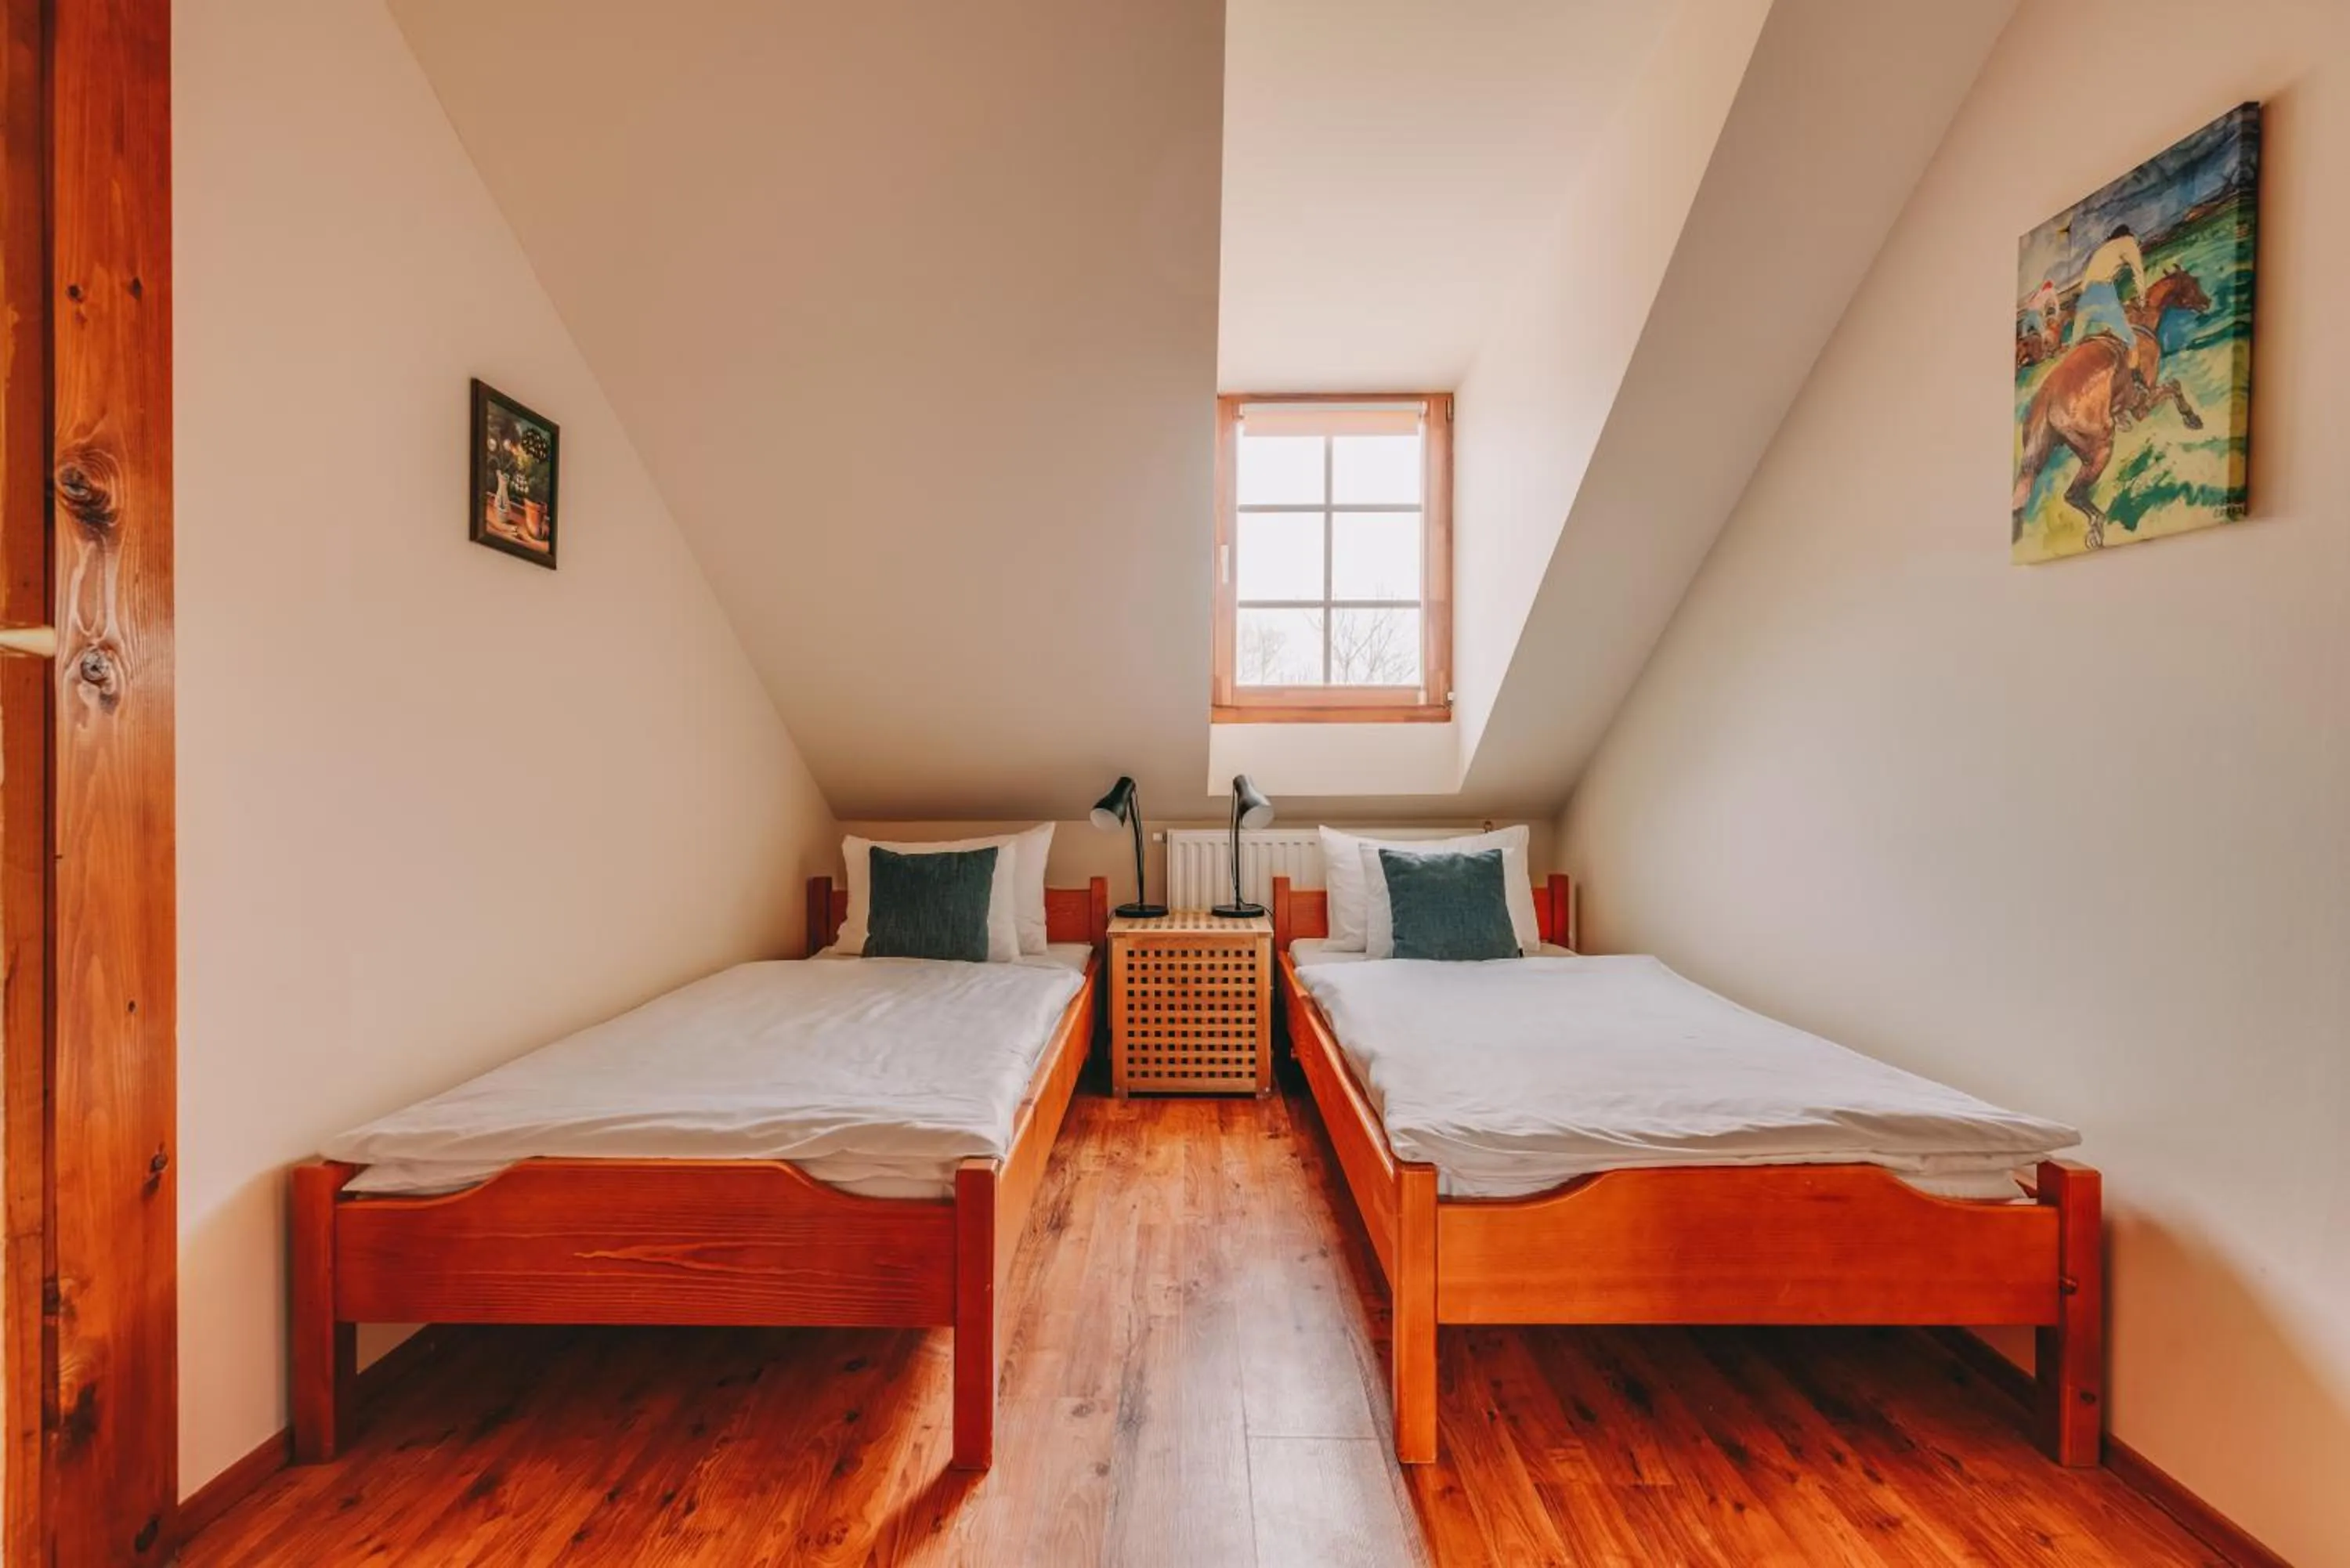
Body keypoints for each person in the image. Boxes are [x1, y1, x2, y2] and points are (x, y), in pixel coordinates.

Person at [2070, 224, 2148, 353]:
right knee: (2130, 339)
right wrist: (2142, 299)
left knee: (2076, 343)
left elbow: (2085, 283)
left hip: (2086, 295)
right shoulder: (2129, 243)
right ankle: (2135, 371)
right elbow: (2138, 272)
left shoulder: (2104, 248)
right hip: (2103, 292)